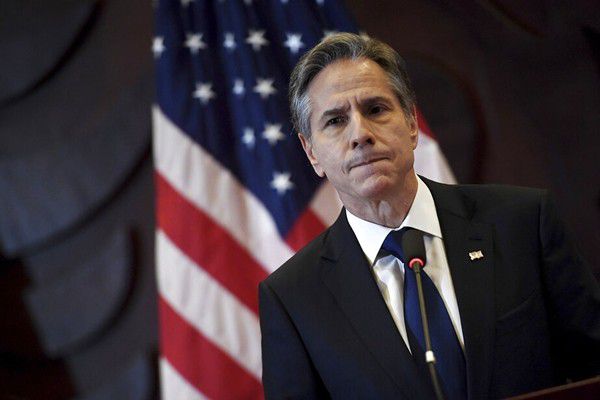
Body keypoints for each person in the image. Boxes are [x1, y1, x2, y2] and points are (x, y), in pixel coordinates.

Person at [258, 32, 600, 399]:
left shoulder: (522, 223)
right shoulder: (293, 298)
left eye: (375, 109)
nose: (360, 134)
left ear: (410, 122)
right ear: (311, 152)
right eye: (335, 121)